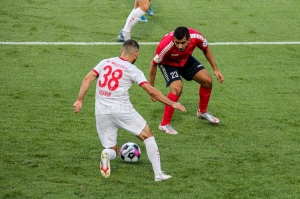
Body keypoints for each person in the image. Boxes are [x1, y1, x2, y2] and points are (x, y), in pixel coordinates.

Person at [73, 39, 186, 181]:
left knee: (111, 148)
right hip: (122, 110)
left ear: (121, 51)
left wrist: (79, 100)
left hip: (101, 111)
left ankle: (106, 155)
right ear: (136, 54)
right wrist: (171, 103)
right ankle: (158, 174)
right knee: (148, 136)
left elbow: (87, 78)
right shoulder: (133, 70)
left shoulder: (105, 62)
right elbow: (150, 90)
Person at [149, 26, 224, 134]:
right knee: (177, 89)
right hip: (168, 64)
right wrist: (151, 88)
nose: (180, 46)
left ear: (189, 40)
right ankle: (164, 124)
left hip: (185, 59)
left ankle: (202, 112)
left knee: (207, 81)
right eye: (177, 42)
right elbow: (153, 64)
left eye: (183, 43)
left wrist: (215, 69)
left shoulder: (197, 37)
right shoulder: (166, 46)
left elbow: (206, 49)